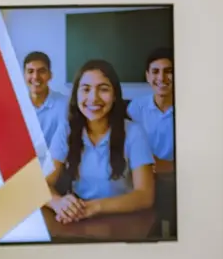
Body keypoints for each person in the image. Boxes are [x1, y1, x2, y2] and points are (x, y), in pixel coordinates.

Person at [45, 59, 155, 223]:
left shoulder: (133, 132)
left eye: (103, 89)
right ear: (76, 95)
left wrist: (95, 207)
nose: (93, 98)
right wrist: (58, 203)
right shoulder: (66, 130)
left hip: (122, 219)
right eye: (86, 89)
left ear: (115, 95)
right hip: (79, 218)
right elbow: (42, 185)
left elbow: (145, 195)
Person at [126, 47, 175, 166]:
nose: (161, 78)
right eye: (155, 71)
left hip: (177, 174)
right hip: (144, 171)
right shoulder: (137, 106)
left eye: (168, 71)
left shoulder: (191, 109)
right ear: (147, 76)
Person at [23, 51, 69, 150]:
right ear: (24, 76)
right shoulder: (16, 106)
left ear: (50, 75)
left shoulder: (65, 105)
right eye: (30, 71)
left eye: (42, 71)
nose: (36, 77)